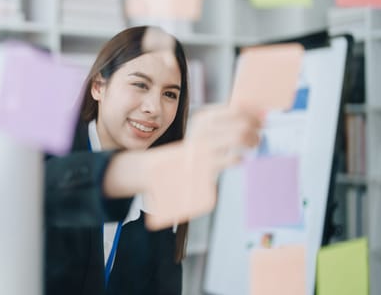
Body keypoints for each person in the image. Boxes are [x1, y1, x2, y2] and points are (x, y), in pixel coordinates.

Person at [45, 26, 262, 295]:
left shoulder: (160, 199)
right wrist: (163, 166)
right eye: (140, 84)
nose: (154, 108)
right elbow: (52, 187)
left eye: (170, 94)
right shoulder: (45, 157)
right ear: (99, 86)